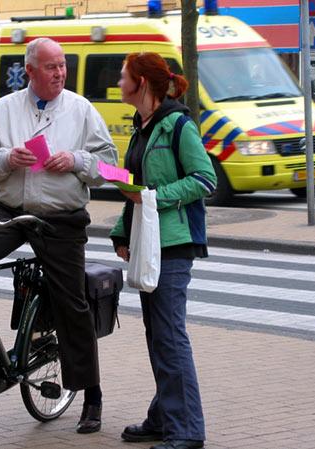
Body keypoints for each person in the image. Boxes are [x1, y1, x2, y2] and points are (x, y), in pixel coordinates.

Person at [0, 37, 117, 434]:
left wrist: (77, 161)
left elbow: (111, 167)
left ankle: (91, 395)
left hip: (61, 217)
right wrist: (6, 159)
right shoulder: (4, 109)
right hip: (10, 209)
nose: (59, 72)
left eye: (62, 65)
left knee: (71, 303)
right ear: (30, 71)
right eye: (51, 66)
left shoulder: (81, 110)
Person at [110, 52, 217, 449]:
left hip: (174, 243)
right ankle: (163, 417)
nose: (118, 84)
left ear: (141, 83)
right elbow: (135, 191)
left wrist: (158, 198)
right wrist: (121, 234)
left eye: (123, 77)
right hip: (147, 241)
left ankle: (187, 431)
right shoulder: (141, 128)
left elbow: (205, 180)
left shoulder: (177, 125)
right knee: (158, 336)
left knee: (170, 337)